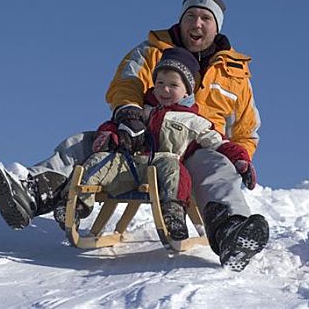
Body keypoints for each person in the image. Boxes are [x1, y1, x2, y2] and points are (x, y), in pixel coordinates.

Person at [0, 0, 269, 271]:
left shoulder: (235, 73)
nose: (197, 23)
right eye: (191, 15)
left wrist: (240, 156)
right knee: (83, 142)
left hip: (196, 147)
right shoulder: (152, 51)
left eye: (206, 18)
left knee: (217, 165)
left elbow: (247, 129)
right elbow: (126, 82)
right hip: (142, 137)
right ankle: (32, 192)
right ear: (181, 19)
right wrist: (129, 113)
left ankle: (231, 232)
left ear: (216, 27)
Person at [77, 47, 256, 243]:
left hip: (168, 164)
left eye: (173, 85)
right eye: (160, 83)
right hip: (132, 164)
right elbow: (116, 123)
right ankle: (77, 204)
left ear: (187, 89)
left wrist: (240, 159)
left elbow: (219, 142)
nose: (165, 89)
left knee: (175, 172)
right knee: (100, 162)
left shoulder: (193, 120)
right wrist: (109, 132)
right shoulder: (143, 110)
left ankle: (173, 212)